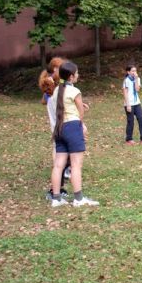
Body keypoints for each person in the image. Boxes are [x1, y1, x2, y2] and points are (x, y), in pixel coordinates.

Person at [50, 62, 99, 207]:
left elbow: (61, 108)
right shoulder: (75, 91)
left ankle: (56, 198)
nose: (78, 75)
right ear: (71, 77)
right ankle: (78, 199)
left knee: (58, 165)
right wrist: (81, 124)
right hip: (72, 127)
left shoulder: (56, 92)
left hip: (59, 129)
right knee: (76, 165)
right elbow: (80, 113)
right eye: (77, 73)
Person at [39, 57, 71, 200]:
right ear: (55, 70)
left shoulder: (55, 87)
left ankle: (57, 189)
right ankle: (54, 191)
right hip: (60, 128)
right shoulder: (53, 90)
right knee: (58, 161)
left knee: (61, 161)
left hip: (61, 128)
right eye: (61, 68)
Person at [123, 64, 142, 145]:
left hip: (137, 103)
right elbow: (125, 93)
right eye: (133, 71)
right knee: (130, 121)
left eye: (135, 71)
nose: (134, 72)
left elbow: (137, 89)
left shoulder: (137, 79)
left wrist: (136, 79)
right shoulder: (126, 80)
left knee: (141, 119)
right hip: (129, 103)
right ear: (128, 72)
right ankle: (129, 139)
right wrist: (128, 105)